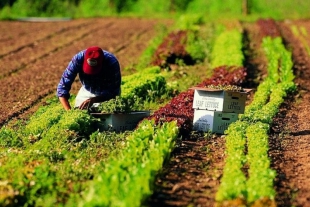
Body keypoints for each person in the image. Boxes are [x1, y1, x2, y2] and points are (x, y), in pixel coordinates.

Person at [56, 46, 121, 110]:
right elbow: (63, 86)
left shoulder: (112, 63)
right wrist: (68, 111)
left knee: (107, 115)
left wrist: (95, 100)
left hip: (106, 94)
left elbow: (113, 91)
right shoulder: (78, 59)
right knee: (80, 110)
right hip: (87, 91)